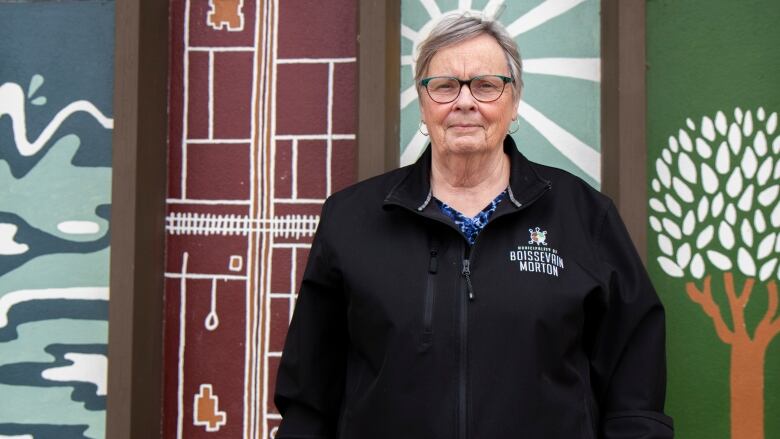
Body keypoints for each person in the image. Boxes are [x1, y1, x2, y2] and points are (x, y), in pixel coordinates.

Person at [274, 13, 673, 439]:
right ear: (423, 103)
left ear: (514, 100)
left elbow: (635, 390)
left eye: (485, 85)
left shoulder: (584, 217)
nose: (465, 102)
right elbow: (309, 402)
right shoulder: (351, 219)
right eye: (445, 86)